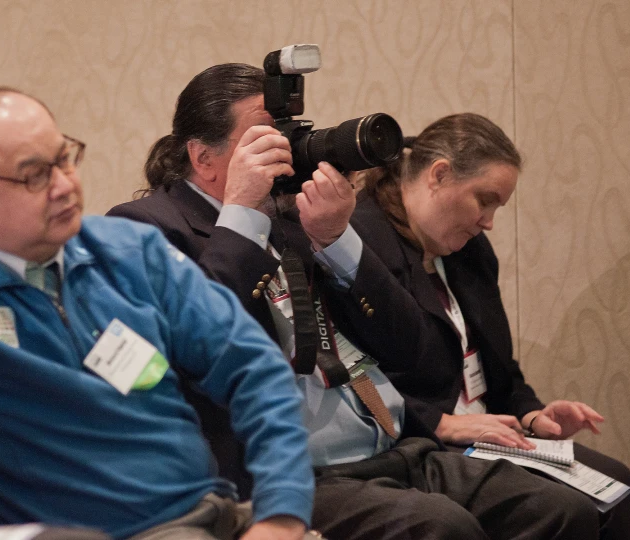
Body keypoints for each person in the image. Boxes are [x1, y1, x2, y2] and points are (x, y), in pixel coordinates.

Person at [108, 63, 601, 540]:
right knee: (441, 529)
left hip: (393, 444)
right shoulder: (146, 227)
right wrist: (240, 216)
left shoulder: (295, 221)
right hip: (295, 473)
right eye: (262, 137)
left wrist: (338, 237)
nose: (283, 150)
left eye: (286, 132)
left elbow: (412, 350)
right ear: (203, 157)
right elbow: (195, 344)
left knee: (560, 511)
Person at [0, 87, 318, 540]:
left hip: (215, 511)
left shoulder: (130, 251)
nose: (65, 185)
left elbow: (253, 367)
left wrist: (281, 514)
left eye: (64, 158)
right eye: (34, 176)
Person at [337, 112, 630, 537]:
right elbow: (351, 373)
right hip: (418, 442)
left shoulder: (471, 253)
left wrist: (534, 415)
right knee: (564, 509)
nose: (489, 222)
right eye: (485, 200)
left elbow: (500, 369)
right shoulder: (358, 247)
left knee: (620, 484)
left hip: (493, 434)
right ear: (439, 175)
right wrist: (439, 422)